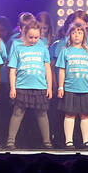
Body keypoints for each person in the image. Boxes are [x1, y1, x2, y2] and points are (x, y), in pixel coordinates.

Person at [6, 21, 53, 150]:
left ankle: (47, 141)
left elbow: (47, 68)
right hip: (22, 85)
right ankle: (10, 141)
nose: (33, 40)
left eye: (36, 37)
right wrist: (12, 87)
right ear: (25, 34)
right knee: (18, 112)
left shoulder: (42, 46)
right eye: (31, 37)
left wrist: (49, 87)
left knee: (42, 113)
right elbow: (12, 69)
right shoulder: (17, 46)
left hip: (40, 86)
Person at [56, 22, 88, 150]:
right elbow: (62, 71)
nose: (76, 35)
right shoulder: (65, 52)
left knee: (85, 114)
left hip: (86, 88)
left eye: (80, 33)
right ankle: (68, 141)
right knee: (70, 114)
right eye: (74, 33)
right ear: (69, 35)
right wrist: (60, 87)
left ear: (84, 35)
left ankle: (86, 141)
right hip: (70, 88)